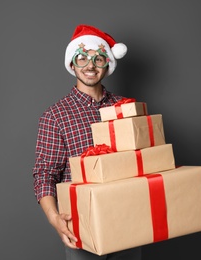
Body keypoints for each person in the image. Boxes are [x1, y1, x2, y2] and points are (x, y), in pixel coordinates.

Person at [32, 24, 142, 259]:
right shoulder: (55, 116)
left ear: (108, 65)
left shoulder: (125, 107)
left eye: (99, 59)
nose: (90, 66)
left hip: (129, 221)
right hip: (83, 227)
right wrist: (54, 219)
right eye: (82, 58)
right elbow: (45, 174)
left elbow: (143, 159)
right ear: (72, 64)